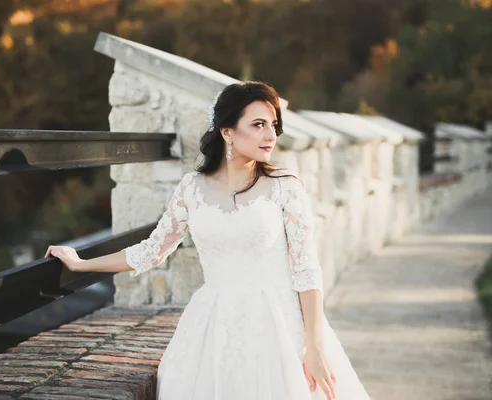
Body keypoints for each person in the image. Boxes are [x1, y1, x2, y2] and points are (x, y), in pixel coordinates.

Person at [45, 81, 372, 400]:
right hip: (213, 325)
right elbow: (151, 251)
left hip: (279, 325)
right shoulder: (192, 188)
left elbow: (307, 270)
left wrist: (313, 345)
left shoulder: (285, 186)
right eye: (258, 125)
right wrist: (81, 263)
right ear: (227, 131)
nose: (270, 135)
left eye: (273, 125)